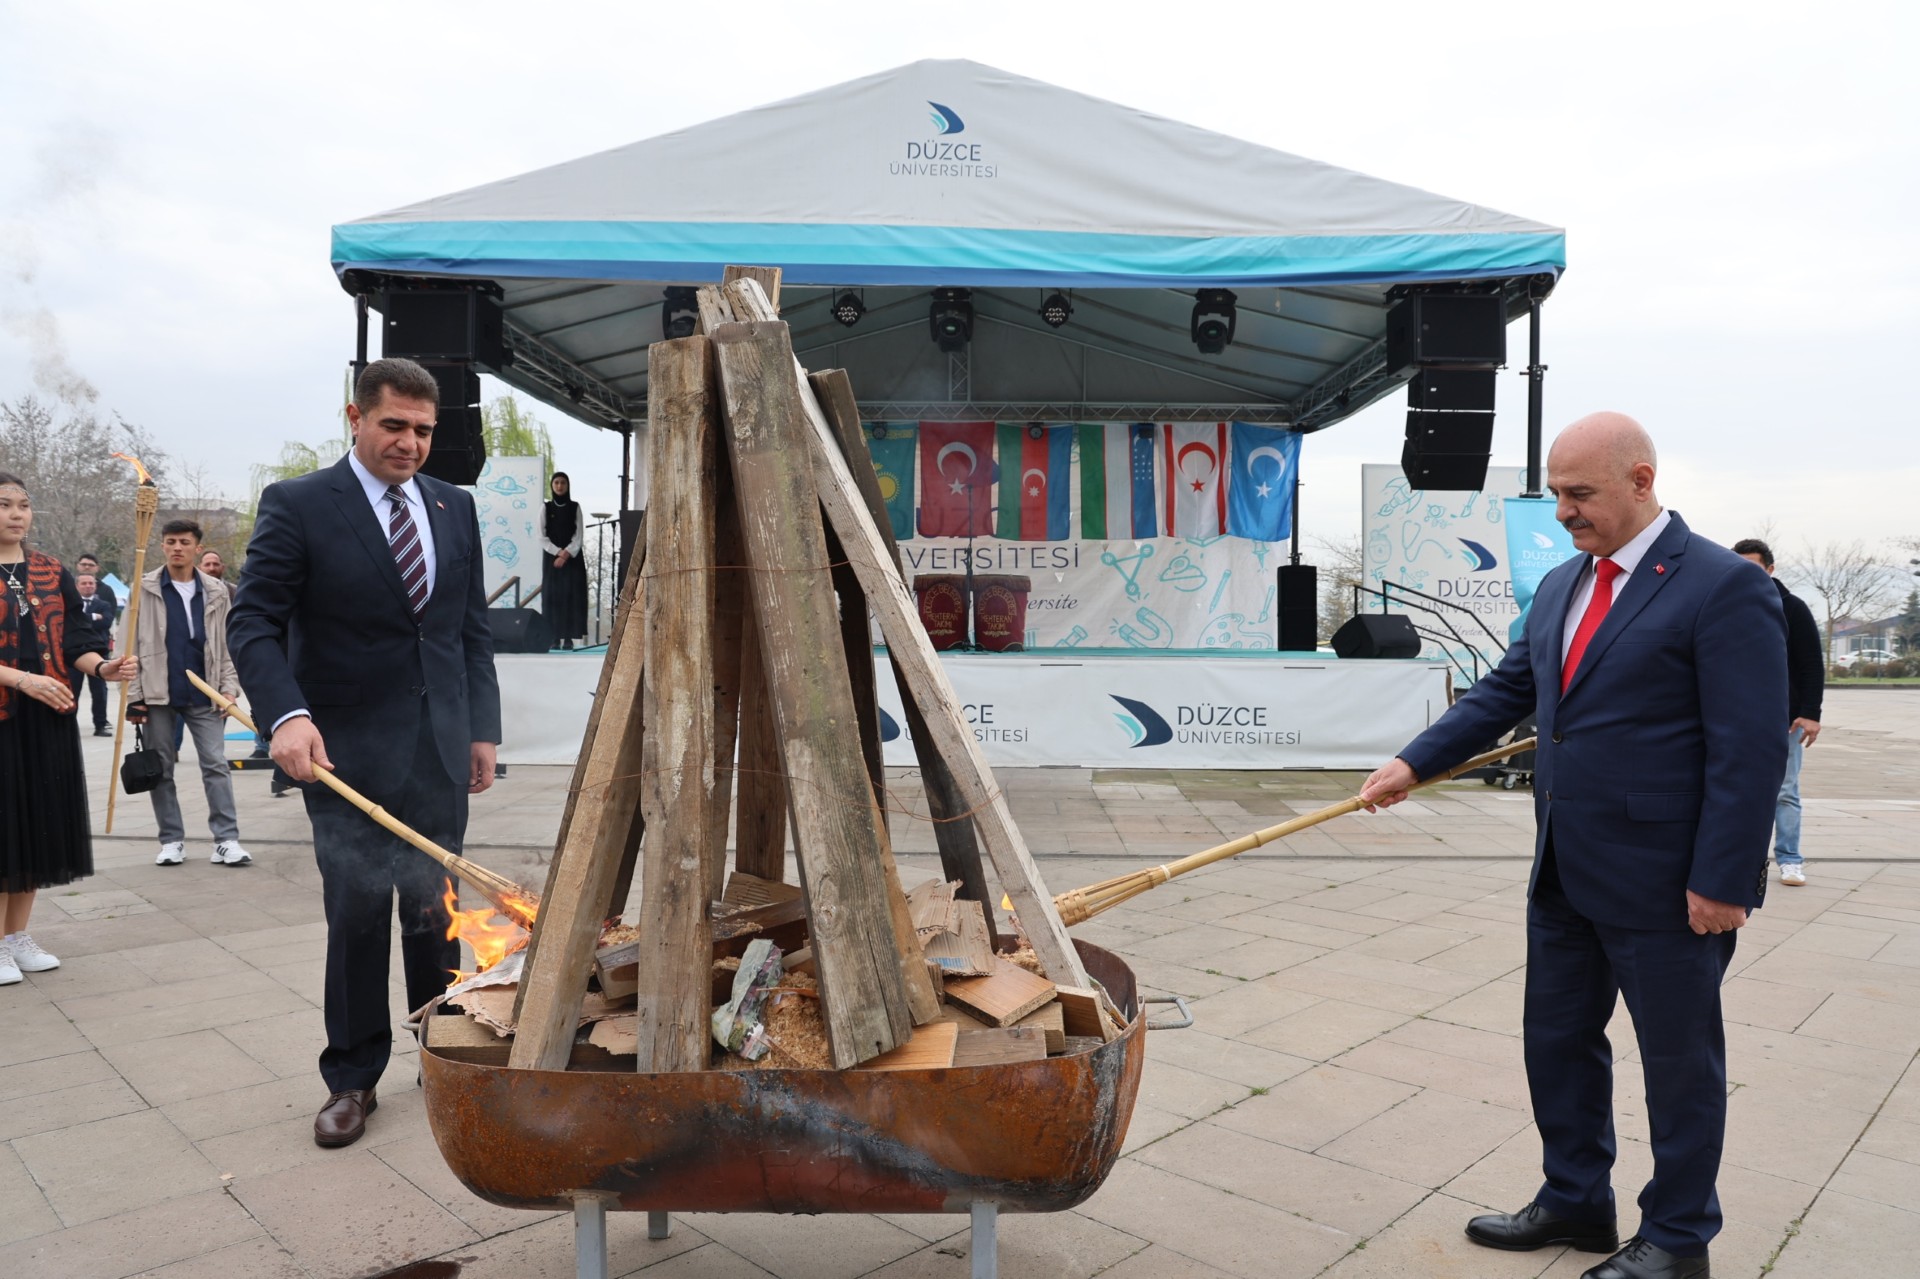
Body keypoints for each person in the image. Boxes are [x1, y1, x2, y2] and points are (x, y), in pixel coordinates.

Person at [1358, 413, 1786, 1279]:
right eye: (1555, 492)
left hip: (1670, 885)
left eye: (1580, 492)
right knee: (1555, 1040)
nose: (1563, 511)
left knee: (1679, 1066)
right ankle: (1576, 1198)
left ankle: (1676, 1238)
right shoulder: (1561, 586)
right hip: (1564, 868)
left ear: (1641, 479)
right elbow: (1506, 690)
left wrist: (1725, 878)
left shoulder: (1721, 586)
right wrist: (1414, 760)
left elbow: (1749, 746)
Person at [229, 357, 500, 1149]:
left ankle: (444, 1051)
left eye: (422, 430)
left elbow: (466, 631)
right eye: (394, 426)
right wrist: (285, 715)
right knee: (355, 914)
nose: (410, 443)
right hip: (341, 754)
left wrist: (480, 727)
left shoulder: (455, 507)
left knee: (434, 909)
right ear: (356, 417)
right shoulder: (302, 505)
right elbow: (253, 622)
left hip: (440, 749)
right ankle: (352, 1076)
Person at [0, 472, 139, 986]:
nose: (17, 513)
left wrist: (104, 668)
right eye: (4, 505)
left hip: (47, 717)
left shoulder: (49, 570)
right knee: (3, 828)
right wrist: (23, 679)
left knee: (35, 827)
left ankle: (16, 937)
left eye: (24, 505)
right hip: (4, 718)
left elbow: (76, 642)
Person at [128, 519, 252, 868]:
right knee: (161, 768)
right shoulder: (145, 587)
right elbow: (129, 645)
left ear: (198, 548)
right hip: (157, 692)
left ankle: (226, 839)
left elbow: (228, 645)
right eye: (170, 542)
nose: (176, 548)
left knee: (216, 765)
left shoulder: (215, 590)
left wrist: (229, 688)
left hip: (205, 690)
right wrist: (133, 697)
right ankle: (171, 840)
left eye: (184, 542)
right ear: (163, 546)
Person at [1733, 538, 1823, 887]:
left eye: (1753, 568)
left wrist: (1810, 712)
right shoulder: (1726, 607)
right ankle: (1742, 858)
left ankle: (1789, 859)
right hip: (1736, 719)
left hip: (1784, 721)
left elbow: (1811, 665)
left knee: (1785, 791)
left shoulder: (1792, 608)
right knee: (1735, 790)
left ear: (1769, 570)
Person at [540, 471, 587, 650]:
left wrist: (566, 553)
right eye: (556, 483)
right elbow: (541, 536)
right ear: (552, 486)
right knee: (553, 597)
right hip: (552, 561)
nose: (560, 486)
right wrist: (557, 552)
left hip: (572, 560)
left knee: (571, 597)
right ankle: (553, 637)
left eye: (563, 483)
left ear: (568, 486)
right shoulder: (546, 508)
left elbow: (579, 535)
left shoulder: (575, 507)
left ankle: (568, 638)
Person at [74, 572, 118, 736]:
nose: (88, 586)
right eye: (84, 583)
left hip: (98, 654)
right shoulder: (71, 604)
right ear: (77, 586)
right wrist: (93, 617)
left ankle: (100, 725)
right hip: (75, 654)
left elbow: (106, 622)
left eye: (91, 583)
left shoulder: (104, 604)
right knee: (72, 692)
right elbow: (71, 622)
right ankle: (70, 726)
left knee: (99, 692)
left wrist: (83, 620)